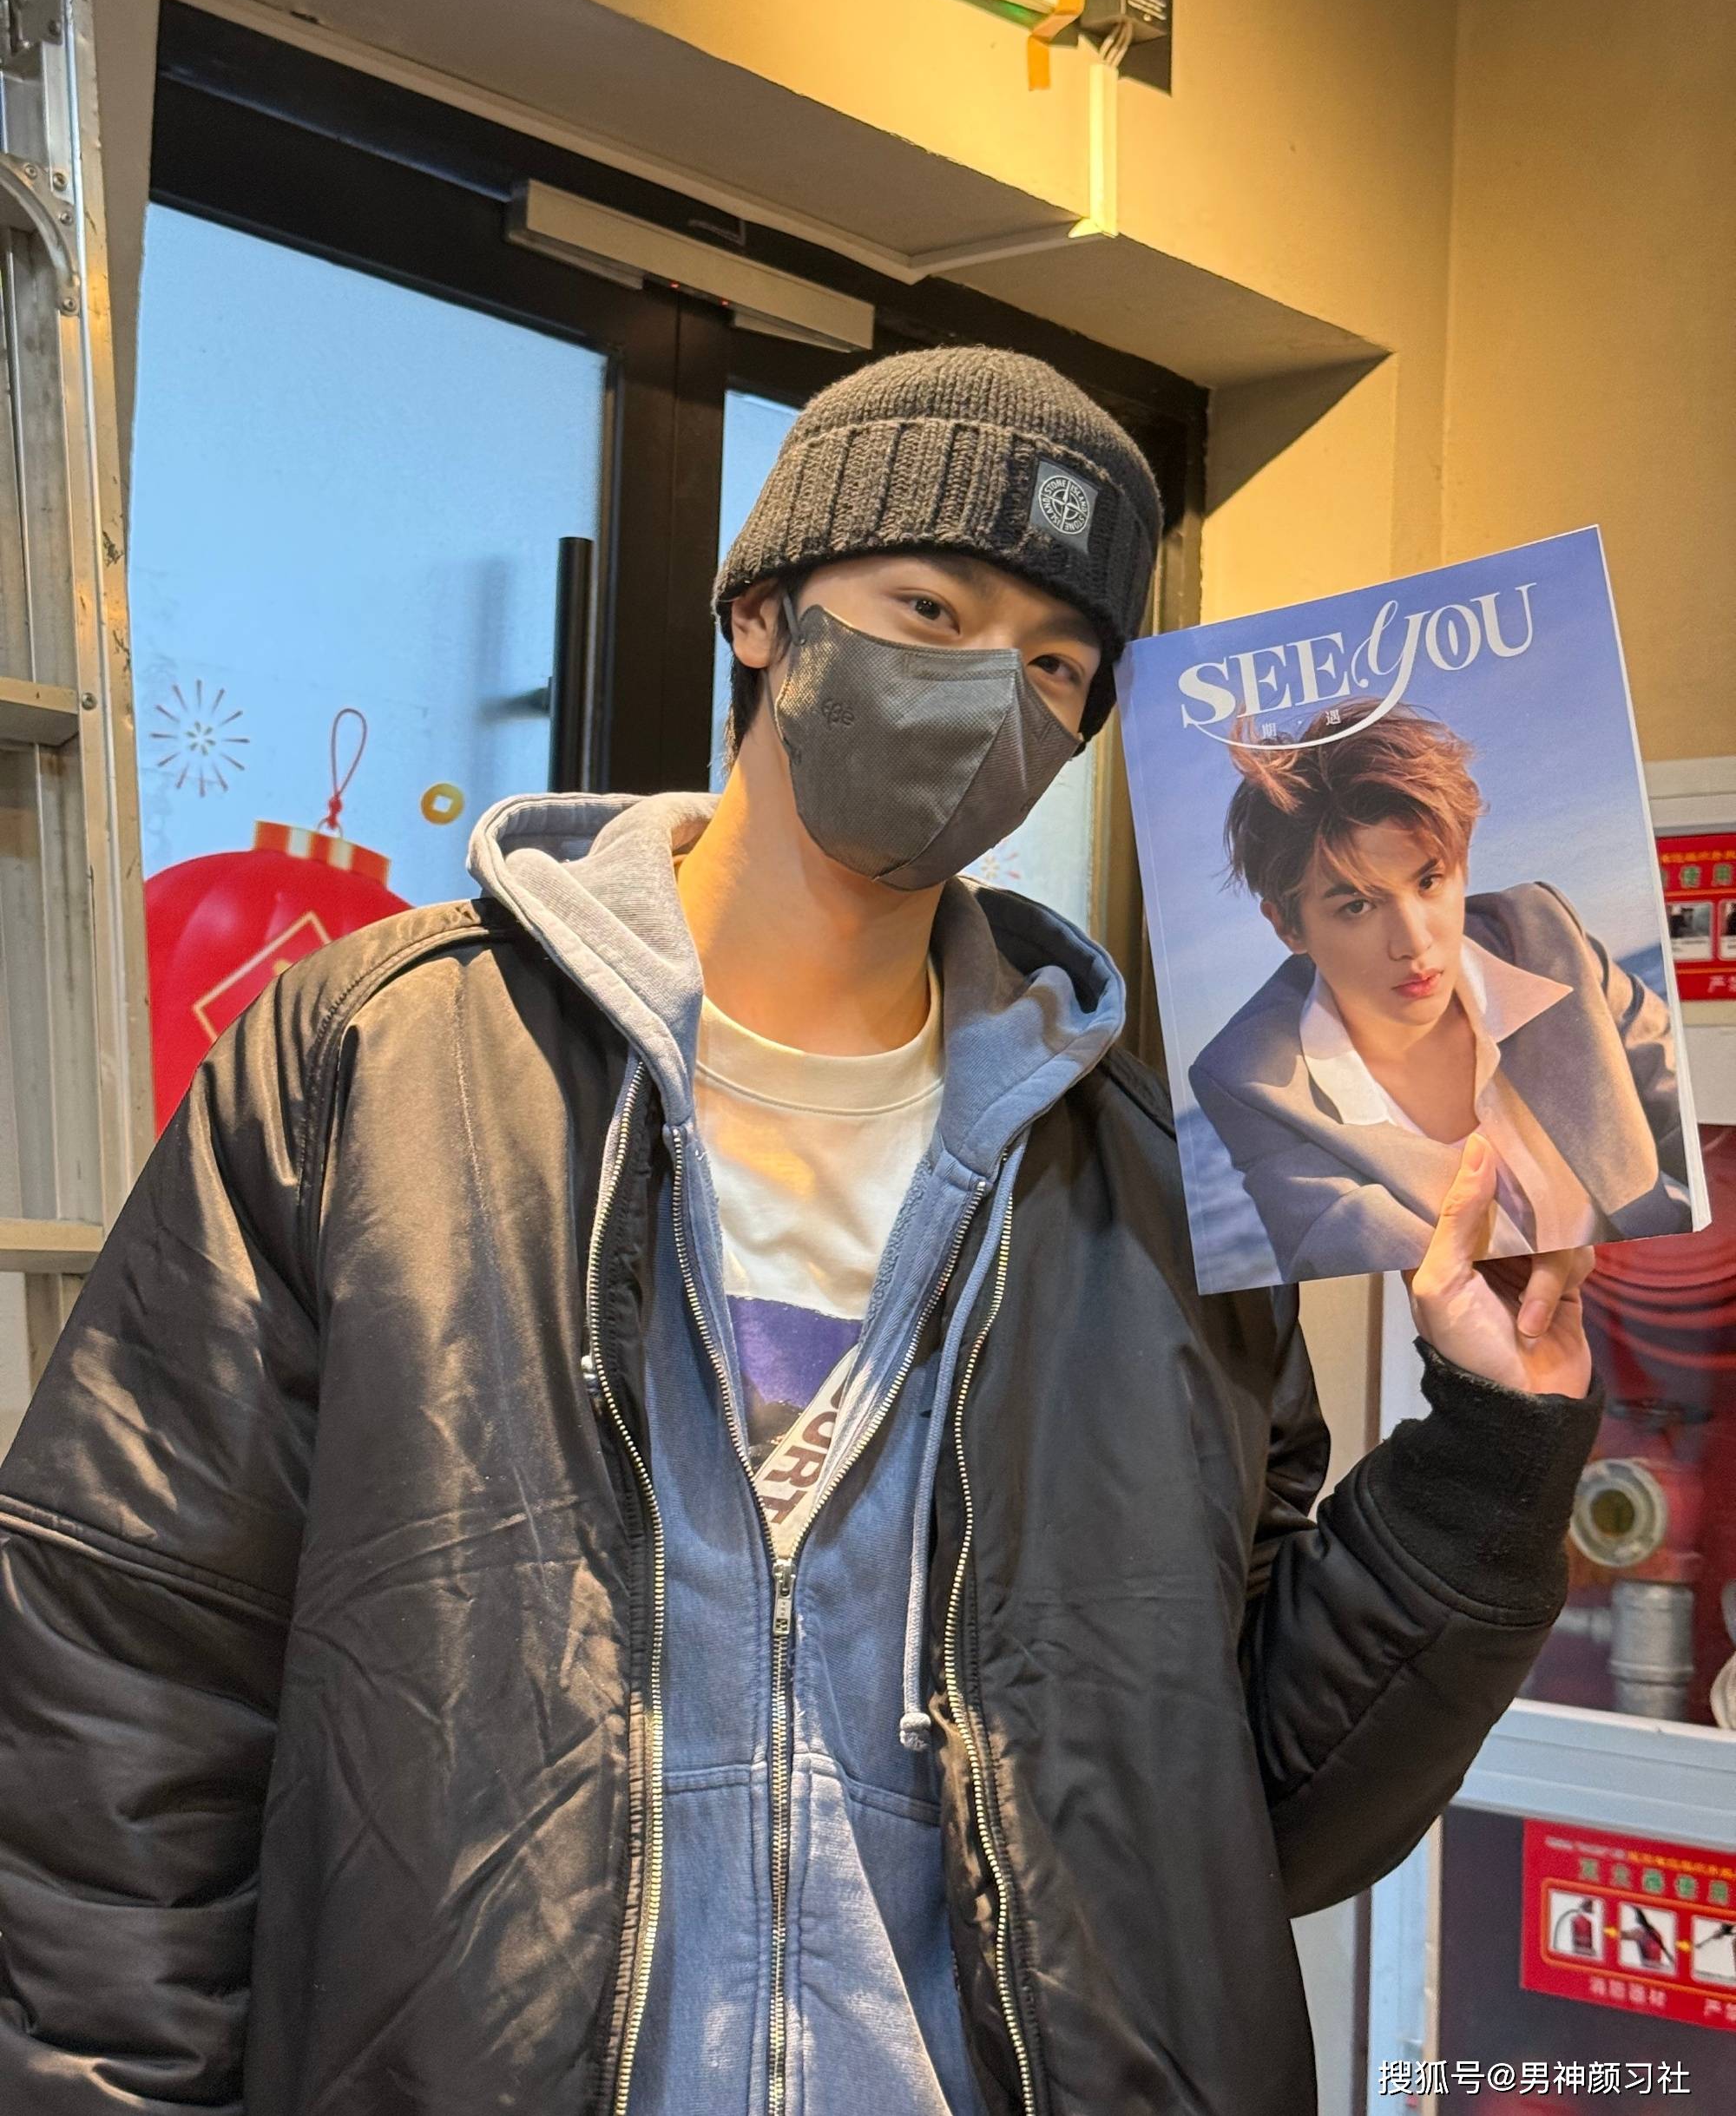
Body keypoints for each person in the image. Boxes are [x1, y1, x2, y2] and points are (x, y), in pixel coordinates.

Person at [0, 349, 1607, 2116]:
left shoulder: (1145, 1174)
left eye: (1055, 664)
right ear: (762, 611)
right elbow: (125, 1681)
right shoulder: (379, 1066)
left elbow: (1251, 1804)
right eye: (932, 608)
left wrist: (1493, 1443)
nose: (990, 690)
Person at [1189, 700, 1694, 1286]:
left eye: (1429, 881)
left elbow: (1690, 1126)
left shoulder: (1544, 932)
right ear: (1288, 927)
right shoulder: (1253, 1078)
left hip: (1671, 1298)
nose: (1413, 941)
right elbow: (1347, 1250)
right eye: (1357, 905)